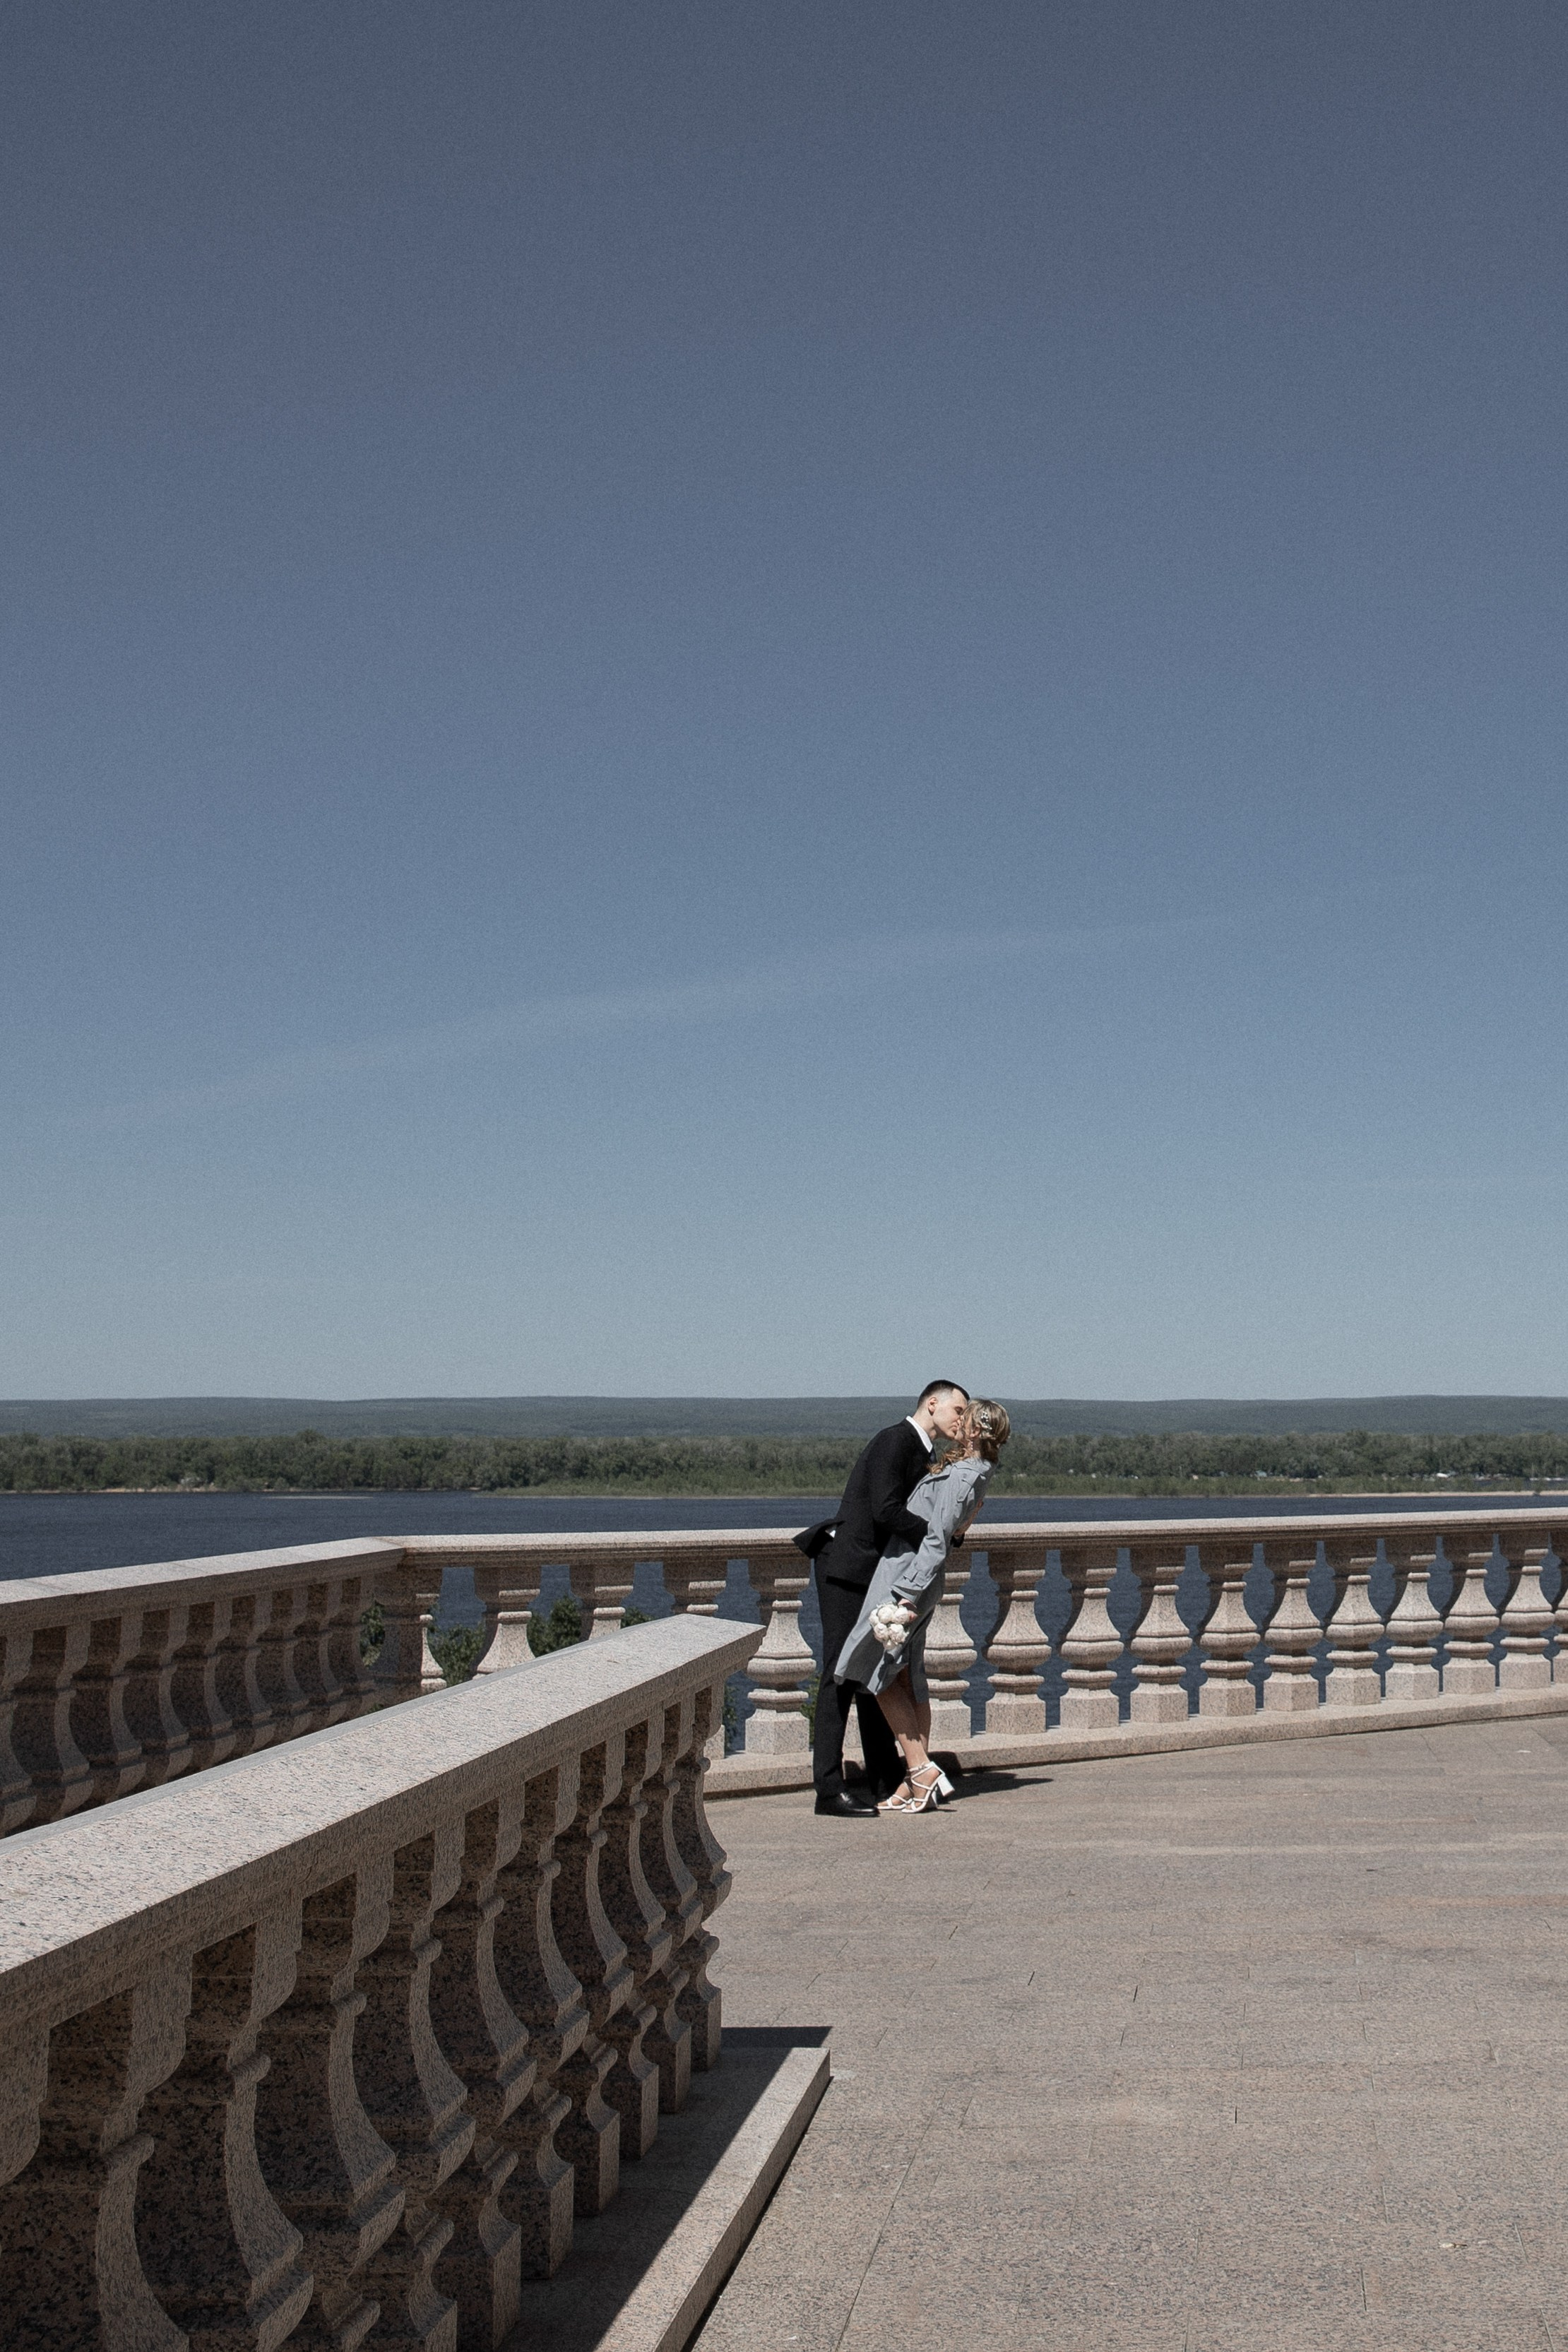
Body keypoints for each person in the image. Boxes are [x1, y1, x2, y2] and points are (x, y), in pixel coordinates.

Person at [834, 1398, 1012, 1814]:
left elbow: (936, 1540)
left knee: (876, 1673)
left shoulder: (965, 1476)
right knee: (906, 1676)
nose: (956, 1423)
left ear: (973, 1432)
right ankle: (915, 1784)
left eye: (963, 1419)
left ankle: (921, 1770)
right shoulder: (972, 1472)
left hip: (906, 1578)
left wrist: (907, 1595)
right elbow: (951, 1531)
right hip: (909, 1574)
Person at [809, 1381, 970, 1818]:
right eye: (957, 1409)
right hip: (846, 1569)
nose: (962, 1419)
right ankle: (828, 1791)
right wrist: (936, 1536)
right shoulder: (895, 1440)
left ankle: (885, 1777)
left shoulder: (925, 1453)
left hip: (875, 1575)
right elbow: (885, 1509)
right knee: (840, 1676)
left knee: (874, 1674)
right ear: (931, 1403)